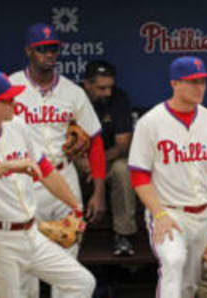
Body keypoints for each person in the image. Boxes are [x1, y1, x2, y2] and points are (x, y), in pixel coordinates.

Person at [0, 71, 95, 297]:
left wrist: (75, 207)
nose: (15, 103)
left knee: (82, 282)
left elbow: (45, 170)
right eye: (8, 100)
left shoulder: (17, 126)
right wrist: (6, 166)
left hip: (32, 234)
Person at [9, 23, 106, 297]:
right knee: (25, 262)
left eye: (53, 49)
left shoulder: (73, 92)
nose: (49, 54)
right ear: (29, 51)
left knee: (68, 259)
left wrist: (98, 192)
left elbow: (95, 140)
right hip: (26, 180)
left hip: (63, 176)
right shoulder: (12, 86)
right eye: (42, 49)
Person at [128, 56, 207, 298]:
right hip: (169, 212)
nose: (200, 87)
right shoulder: (151, 122)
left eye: (203, 82)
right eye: (193, 82)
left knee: (189, 286)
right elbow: (138, 176)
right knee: (173, 262)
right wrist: (159, 214)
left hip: (203, 215)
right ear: (175, 84)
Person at [81, 60, 137, 256]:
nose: (108, 93)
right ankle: (62, 233)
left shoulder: (118, 98)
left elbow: (123, 144)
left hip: (108, 160)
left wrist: (98, 163)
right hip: (77, 162)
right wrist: (83, 163)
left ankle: (123, 235)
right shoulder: (73, 97)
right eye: (101, 88)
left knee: (123, 169)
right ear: (87, 84)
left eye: (110, 87)